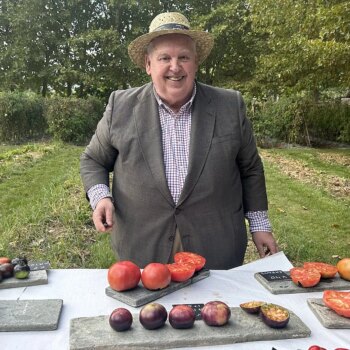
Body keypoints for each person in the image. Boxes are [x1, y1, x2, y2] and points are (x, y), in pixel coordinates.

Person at [80, 12, 278, 269]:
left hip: (216, 246)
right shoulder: (121, 106)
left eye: (184, 57)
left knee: (214, 310)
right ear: (148, 64)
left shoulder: (229, 105)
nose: (175, 67)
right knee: (150, 310)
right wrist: (101, 197)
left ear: (196, 63)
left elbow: (250, 169)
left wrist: (260, 226)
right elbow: (93, 160)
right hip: (142, 246)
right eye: (165, 58)